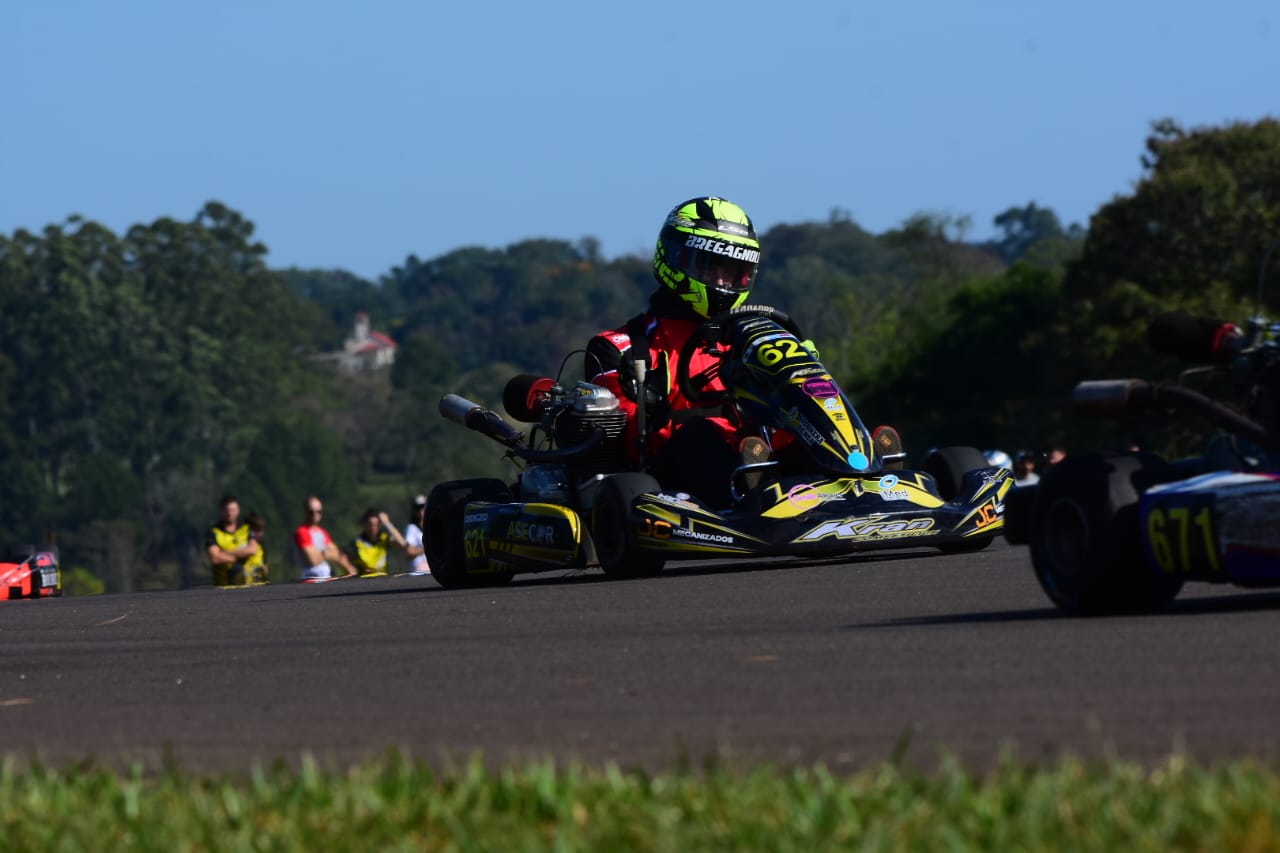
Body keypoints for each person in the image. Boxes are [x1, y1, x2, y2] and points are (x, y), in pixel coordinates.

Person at [583, 197, 780, 506]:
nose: (720, 281)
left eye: (730, 272)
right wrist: (653, 405)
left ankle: (863, 474)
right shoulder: (620, 347)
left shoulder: (749, 340)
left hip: (755, 449)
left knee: (797, 425)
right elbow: (630, 444)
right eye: (709, 267)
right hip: (668, 477)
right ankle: (749, 495)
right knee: (699, 433)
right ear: (675, 259)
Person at [293, 496, 358, 581]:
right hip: (311, 579)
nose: (315, 515)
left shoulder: (322, 532)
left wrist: (351, 571)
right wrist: (328, 554)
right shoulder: (302, 532)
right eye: (311, 512)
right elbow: (313, 560)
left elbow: (338, 555)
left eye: (318, 512)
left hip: (326, 578)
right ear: (306, 512)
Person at [205, 494, 263, 586]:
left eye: (232, 510)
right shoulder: (214, 532)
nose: (229, 513)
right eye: (226, 510)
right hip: (226, 586)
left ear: (238, 510)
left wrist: (224, 553)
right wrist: (241, 555)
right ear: (221, 510)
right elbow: (215, 558)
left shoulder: (246, 528)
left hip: (253, 583)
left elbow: (252, 550)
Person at [345, 508, 408, 576]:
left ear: (380, 525)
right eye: (370, 524)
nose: (373, 528)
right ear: (364, 524)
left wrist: (387, 523)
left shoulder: (384, 539)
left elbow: (403, 544)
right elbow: (347, 562)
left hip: (383, 580)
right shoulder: (356, 544)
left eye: (376, 525)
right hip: (364, 581)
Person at [404, 494, 430, 575]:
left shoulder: (433, 527)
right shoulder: (412, 528)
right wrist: (430, 547)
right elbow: (410, 552)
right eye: (418, 508)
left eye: (423, 507)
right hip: (418, 574)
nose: (421, 511)